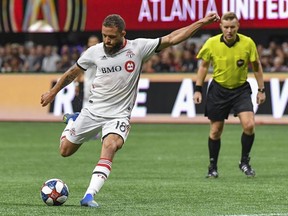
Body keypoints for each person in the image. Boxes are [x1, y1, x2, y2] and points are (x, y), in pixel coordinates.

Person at [41, 13, 220, 207]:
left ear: (123, 34)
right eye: (104, 36)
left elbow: (172, 38)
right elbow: (72, 73)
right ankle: (72, 122)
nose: (107, 41)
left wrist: (202, 22)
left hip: (119, 114)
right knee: (65, 151)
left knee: (110, 146)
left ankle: (89, 195)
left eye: (112, 37)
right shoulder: (94, 51)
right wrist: (53, 92)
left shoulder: (138, 48)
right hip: (92, 111)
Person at [193, 12, 266, 178]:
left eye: (232, 27)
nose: (229, 30)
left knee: (249, 125)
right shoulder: (211, 43)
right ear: (221, 27)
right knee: (216, 130)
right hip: (218, 90)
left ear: (238, 27)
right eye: (226, 27)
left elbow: (256, 66)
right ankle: (212, 166)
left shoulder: (248, 43)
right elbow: (203, 66)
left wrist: (261, 90)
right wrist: (198, 88)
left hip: (241, 89)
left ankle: (244, 162)